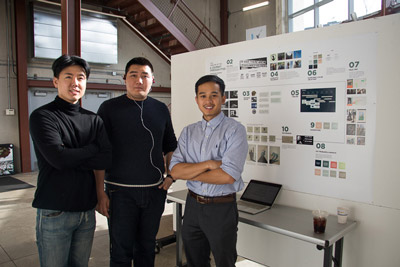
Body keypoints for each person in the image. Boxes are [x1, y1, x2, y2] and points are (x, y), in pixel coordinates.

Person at [29, 54, 112, 267]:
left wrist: (74, 155)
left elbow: (105, 157)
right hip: (55, 210)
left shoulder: (93, 119)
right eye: (68, 77)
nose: (75, 83)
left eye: (81, 77)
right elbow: (59, 159)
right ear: (56, 81)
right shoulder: (43, 116)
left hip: (86, 210)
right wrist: (92, 149)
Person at [97, 57, 177, 267]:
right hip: (120, 194)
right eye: (133, 75)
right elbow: (99, 153)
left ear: (152, 79)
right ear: (125, 79)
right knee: (121, 252)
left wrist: (171, 175)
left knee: (146, 248)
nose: (139, 80)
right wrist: (100, 192)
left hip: (154, 192)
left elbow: (170, 145)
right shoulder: (109, 108)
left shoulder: (160, 109)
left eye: (144, 76)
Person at [169, 74, 248, 267]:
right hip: (193, 205)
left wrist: (191, 171)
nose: (208, 101)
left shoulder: (235, 130)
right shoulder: (188, 131)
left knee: (224, 262)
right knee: (195, 261)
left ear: (223, 98)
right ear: (197, 100)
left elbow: (228, 176)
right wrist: (208, 164)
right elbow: (175, 171)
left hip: (221, 208)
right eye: (202, 96)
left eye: (214, 95)